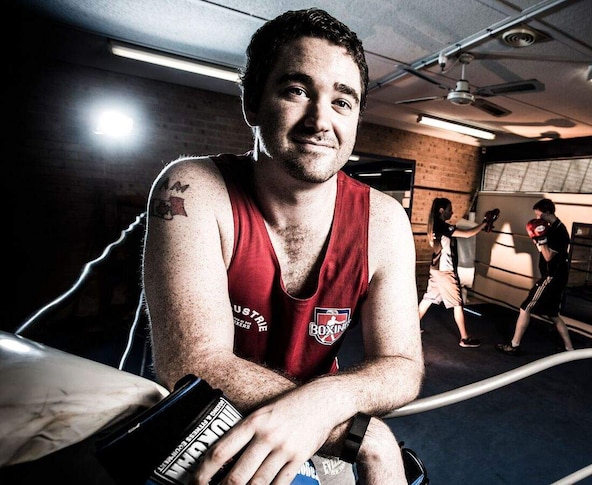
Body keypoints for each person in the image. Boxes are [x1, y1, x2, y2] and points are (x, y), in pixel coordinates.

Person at [142, 8, 424, 485]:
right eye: (297, 91)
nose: (320, 120)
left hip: (324, 420)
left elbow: (402, 365)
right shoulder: (192, 188)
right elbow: (194, 365)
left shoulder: (384, 220)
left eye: (342, 101)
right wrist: (366, 437)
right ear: (252, 103)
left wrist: (325, 403)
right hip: (203, 416)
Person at [496, 198, 574, 355]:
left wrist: (541, 240)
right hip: (557, 277)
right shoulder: (553, 227)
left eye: (540, 216)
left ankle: (514, 345)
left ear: (547, 213)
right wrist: (538, 240)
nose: (538, 219)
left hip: (551, 277)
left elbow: (548, 257)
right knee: (553, 315)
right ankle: (570, 348)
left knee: (525, 308)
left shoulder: (559, 232)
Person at [418, 198, 494, 348]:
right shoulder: (442, 226)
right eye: (449, 209)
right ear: (441, 210)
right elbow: (467, 234)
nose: (451, 212)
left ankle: (410, 329)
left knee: (429, 298)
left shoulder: (434, 225)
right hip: (445, 270)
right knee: (458, 304)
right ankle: (465, 338)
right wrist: (484, 224)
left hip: (436, 268)